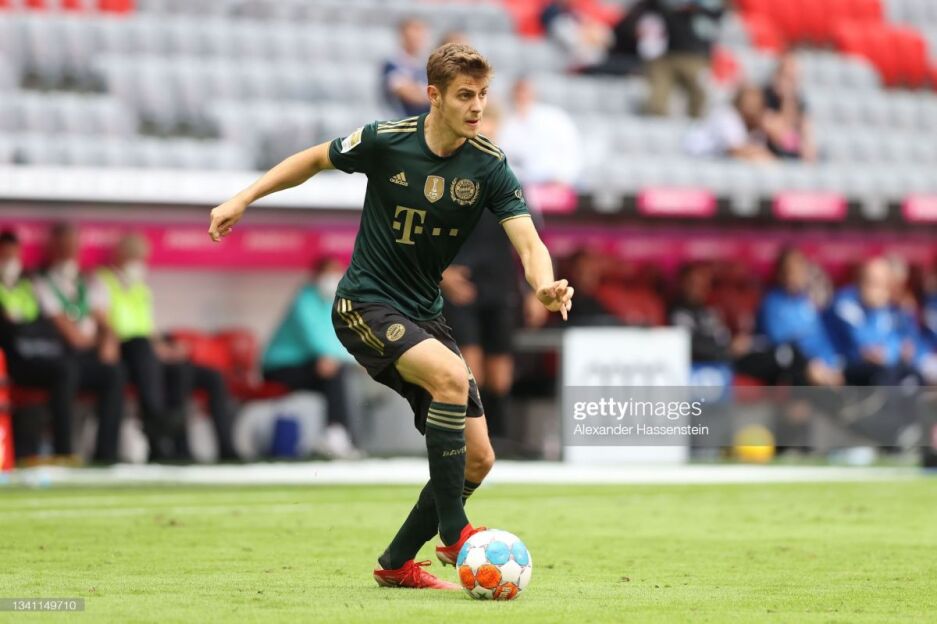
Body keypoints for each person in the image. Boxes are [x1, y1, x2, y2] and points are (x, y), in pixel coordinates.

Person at [208, 43, 573, 590]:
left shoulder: (489, 164)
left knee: (479, 459)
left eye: (482, 95)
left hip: (425, 314)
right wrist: (244, 198)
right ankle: (454, 532)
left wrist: (543, 284)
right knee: (450, 377)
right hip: (365, 303)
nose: (477, 106)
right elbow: (313, 159)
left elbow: (528, 240)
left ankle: (396, 562)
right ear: (434, 96)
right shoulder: (387, 140)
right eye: (465, 95)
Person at [98, 233, 238, 461]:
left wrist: (168, 349)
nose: (139, 264)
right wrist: (152, 348)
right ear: (120, 256)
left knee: (195, 372)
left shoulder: (140, 289)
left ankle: (199, 448)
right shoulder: (103, 281)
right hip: (126, 351)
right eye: (135, 258)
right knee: (142, 348)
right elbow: (106, 323)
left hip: (147, 350)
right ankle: (157, 421)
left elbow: (148, 329)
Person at [32, 223, 125, 463]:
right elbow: (71, 335)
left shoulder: (89, 282)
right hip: (61, 355)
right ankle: (64, 451)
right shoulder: (42, 282)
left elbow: (104, 323)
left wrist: (108, 341)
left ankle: (106, 453)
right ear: (53, 248)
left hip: (87, 355)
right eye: (63, 247)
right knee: (66, 372)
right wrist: (97, 340)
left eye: (72, 246)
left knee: (114, 373)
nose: (68, 252)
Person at [262, 257, 360, 459]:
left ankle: (339, 434)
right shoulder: (304, 300)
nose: (334, 279)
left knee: (338, 373)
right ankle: (336, 434)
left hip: (311, 365)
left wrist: (361, 359)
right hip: (280, 368)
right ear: (316, 276)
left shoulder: (334, 303)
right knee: (333, 372)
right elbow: (316, 341)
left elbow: (343, 339)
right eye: (329, 274)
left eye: (337, 273)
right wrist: (353, 359)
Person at [0, 230, 74, 461]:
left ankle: (63, 450)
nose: (10, 262)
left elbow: (43, 323)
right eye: (5, 256)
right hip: (10, 360)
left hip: (35, 353)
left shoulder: (27, 286)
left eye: (14, 256)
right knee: (62, 371)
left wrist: (21, 326)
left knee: (67, 368)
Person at [824, 258, 919, 386]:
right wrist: (874, 310)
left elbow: (896, 340)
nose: (879, 290)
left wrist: (889, 353)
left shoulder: (884, 307)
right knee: (883, 377)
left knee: (913, 376)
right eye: (874, 282)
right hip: (846, 365)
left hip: (880, 366)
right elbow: (861, 344)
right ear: (861, 279)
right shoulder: (844, 303)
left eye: (883, 284)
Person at [757, 248, 843, 386]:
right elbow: (781, 343)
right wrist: (811, 363)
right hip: (797, 367)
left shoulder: (807, 302)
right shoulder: (772, 304)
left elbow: (822, 340)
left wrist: (832, 364)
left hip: (821, 365)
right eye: (792, 271)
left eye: (801, 271)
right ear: (781, 274)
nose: (797, 276)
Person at [645, 0, 725, 118]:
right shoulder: (672, 12)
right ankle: (655, 118)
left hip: (696, 59)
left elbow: (719, 12)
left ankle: (697, 121)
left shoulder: (707, 13)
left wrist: (696, 8)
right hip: (670, 57)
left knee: (700, 92)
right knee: (658, 86)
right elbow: (653, 6)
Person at [498, 77, 583, 186]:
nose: (522, 96)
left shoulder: (555, 117)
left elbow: (571, 151)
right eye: (518, 92)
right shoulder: (506, 122)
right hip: (522, 184)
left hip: (557, 182)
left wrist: (563, 178)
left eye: (525, 91)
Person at [684, 83, 775, 161]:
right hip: (693, 158)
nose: (753, 109)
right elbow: (736, 150)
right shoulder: (726, 116)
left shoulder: (756, 127)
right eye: (749, 103)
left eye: (756, 104)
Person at [762, 53, 818, 161]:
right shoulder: (765, 97)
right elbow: (778, 134)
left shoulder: (799, 101)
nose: (790, 83)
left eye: (794, 78)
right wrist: (786, 101)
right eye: (787, 77)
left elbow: (807, 136)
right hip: (771, 156)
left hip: (792, 156)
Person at [381, 18, 431, 117]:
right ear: (403, 36)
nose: (417, 39)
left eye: (420, 36)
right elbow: (408, 94)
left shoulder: (425, 64)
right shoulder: (392, 64)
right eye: (413, 37)